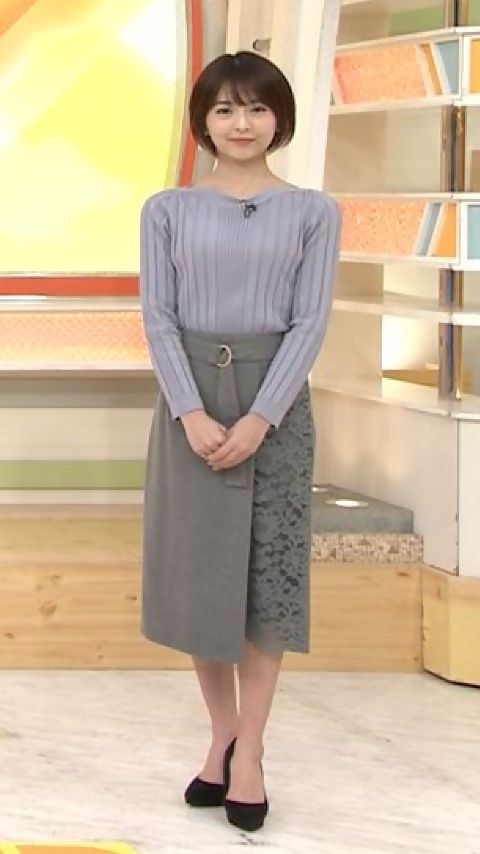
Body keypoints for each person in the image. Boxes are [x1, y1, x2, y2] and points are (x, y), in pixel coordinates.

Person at [139, 50, 341, 833]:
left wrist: (261, 418)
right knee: (201, 578)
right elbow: (159, 319)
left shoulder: (314, 212)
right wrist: (191, 412)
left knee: (266, 582)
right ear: (203, 122)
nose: (242, 123)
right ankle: (219, 734)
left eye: (256, 107)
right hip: (189, 402)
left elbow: (310, 323)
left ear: (279, 118)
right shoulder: (166, 210)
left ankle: (250, 751)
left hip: (275, 405)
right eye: (224, 108)